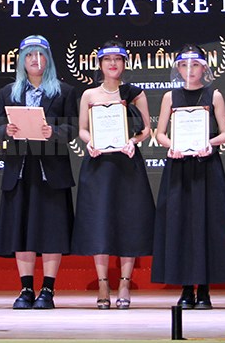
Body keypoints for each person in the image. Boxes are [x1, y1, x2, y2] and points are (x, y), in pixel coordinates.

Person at [0, 35, 78, 310]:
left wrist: (54, 131)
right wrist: (6, 130)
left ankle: (48, 290)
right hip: (20, 170)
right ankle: (26, 288)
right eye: (29, 55)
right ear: (22, 60)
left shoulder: (64, 91)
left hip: (50, 172)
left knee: (52, 231)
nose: (35, 60)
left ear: (48, 59)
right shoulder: (9, 92)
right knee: (22, 231)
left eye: (40, 55)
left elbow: (73, 129)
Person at [152, 44, 225, 309]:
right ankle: (185, 289)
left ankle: (204, 290)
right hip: (179, 167)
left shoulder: (214, 95)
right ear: (177, 68)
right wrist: (174, 145)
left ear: (204, 68)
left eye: (195, 65)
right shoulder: (170, 96)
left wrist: (208, 143)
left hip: (206, 166)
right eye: (183, 65)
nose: (189, 70)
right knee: (179, 225)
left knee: (206, 224)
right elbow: (160, 134)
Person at [72, 42, 155, 310]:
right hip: (98, 165)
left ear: (124, 64)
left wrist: (134, 141)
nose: (112, 64)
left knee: (129, 222)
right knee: (100, 223)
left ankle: (125, 283)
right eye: (107, 59)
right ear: (100, 64)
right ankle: (103, 283)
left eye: (117, 59)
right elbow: (82, 129)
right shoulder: (89, 94)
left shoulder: (134, 93)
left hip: (127, 164)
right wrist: (91, 142)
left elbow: (147, 129)